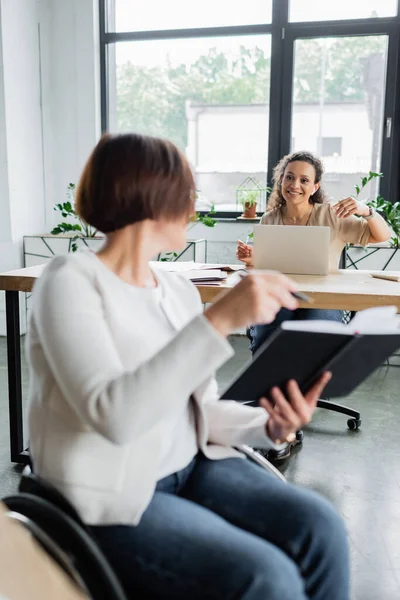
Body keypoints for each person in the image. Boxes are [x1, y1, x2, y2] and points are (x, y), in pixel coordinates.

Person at [27, 133, 350, 600]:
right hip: (113, 496)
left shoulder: (175, 290)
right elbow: (114, 416)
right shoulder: (70, 282)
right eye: (188, 192)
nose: (195, 206)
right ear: (149, 194)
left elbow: (198, 407)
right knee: (266, 577)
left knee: (322, 527)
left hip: (192, 463)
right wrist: (219, 320)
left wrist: (269, 424)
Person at [237, 150, 391, 356]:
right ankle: (271, 385)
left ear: (314, 186)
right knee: (267, 339)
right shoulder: (269, 218)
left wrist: (367, 211)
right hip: (280, 296)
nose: (294, 185)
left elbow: (382, 236)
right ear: (281, 180)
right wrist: (251, 260)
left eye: (304, 180)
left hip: (324, 298)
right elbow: (264, 268)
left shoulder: (331, 215)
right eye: (289, 177)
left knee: (315, 340)